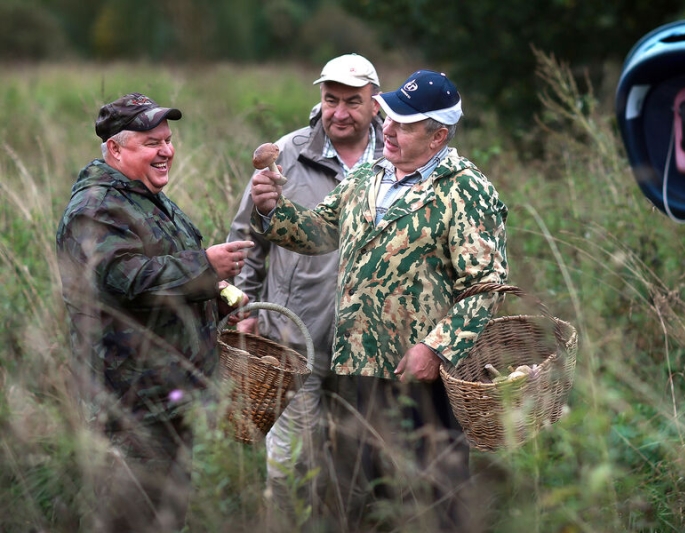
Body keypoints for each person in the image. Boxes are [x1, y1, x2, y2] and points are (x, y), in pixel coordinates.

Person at [248, 70, 508, 531]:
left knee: (433, 498)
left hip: (420, 376)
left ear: (438, 135)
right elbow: (320, 232)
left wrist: (436, 348)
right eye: (388, 116)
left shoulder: (465, 189)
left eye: (404, 125)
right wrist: (272, 212)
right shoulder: (368, 176)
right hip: (355, 369)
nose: (386, 128)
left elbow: (486, 285)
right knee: (366, 499)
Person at [56, 93, 254, 532]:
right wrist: (206, 266)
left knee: (166, 519)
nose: (166, 151)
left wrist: (221, 303)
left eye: (167, 140)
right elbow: (127, 279)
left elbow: (166, 287)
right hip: (131, 409)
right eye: (151, 143)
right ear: (115, 149)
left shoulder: (145, 198)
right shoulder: (95, 208)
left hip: (173, 401)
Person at [226, 53, 383, 522]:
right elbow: (246, 235)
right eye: (330, 99)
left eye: (353, 101)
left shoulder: (392, 154)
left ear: (375, 104)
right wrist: (245, 304)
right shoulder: (288, 153)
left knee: (355, 459)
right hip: (294, 336)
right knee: (291, 464)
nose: (339, 112)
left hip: (369, 344)